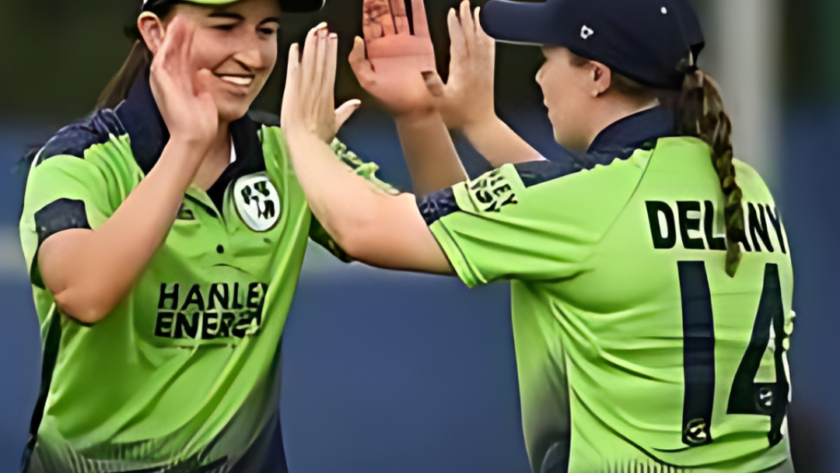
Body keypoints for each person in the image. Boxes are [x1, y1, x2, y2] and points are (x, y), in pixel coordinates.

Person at [280, 0, 797, 471]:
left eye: (549, 58)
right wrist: (440, 118)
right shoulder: (744, 186)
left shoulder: (589, 207)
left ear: (597, 75)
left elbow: (361, 229)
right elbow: (563, 222)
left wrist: (300, 136)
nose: (541, 78)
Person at [14, 0, 445, 470]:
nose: (254, 55)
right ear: (155, 33)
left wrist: (418, 117)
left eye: (266, 30)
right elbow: (84, 291)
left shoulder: (292, 152)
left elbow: (448, 242)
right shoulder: (82, 160)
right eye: (225, 25)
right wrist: (186, 145)